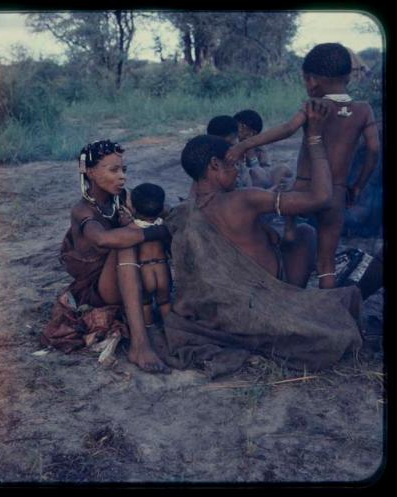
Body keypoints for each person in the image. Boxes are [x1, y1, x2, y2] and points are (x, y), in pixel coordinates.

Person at [150, 100, 362, 376]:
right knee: (308, 238)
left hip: (223, 308)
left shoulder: (184, 210)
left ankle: (285, 296)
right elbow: (321, 198)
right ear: (214, 165)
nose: (238, 169)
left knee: (299, 233)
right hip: (262, 296)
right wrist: (315, 138)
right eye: (233, 164)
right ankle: (290, 296)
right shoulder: (243, 200)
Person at [227, 43, 380, 289]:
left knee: (285, 200)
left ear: (311, 81)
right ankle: (326, 306)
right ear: (349, 77)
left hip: (305, 188)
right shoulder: (363, 110)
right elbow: (373, 150)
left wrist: (245, 145)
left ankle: (289, 228)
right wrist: (359, 185)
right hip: (337, 192)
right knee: (326, 263)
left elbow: (286, 130)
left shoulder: (313, 107)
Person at [43, 140, 171, 373]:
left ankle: (163, 318)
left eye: (124, 170)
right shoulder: (82, 210)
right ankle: (140, 345)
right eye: (114, 170)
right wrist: (153, 230)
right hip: (95, 291)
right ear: (90, 173)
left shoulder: (122, 198)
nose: (122, 177)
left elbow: (163, 211)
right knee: (125, 242)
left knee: (135, 232)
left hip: (127, 277)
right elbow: (102, 239)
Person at [128, 183, 172, 326]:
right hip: (162, 267)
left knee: (145, 303)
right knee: (165, 302)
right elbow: (169, 246)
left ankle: (149, 326)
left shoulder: (132, 228)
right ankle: (170, 326)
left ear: (134, 208)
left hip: (144, 270)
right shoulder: (163, 225)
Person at [233, 109, 294, 190]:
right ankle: (271, 190)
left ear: (253, 133)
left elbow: (264, 175)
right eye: (239, 127)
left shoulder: (259, 147)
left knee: (282, 168)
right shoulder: (234, 145)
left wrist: (251, 155)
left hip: (259, 178)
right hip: (245, 181)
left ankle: (273, 188)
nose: (239, 130)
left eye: (243, 127)